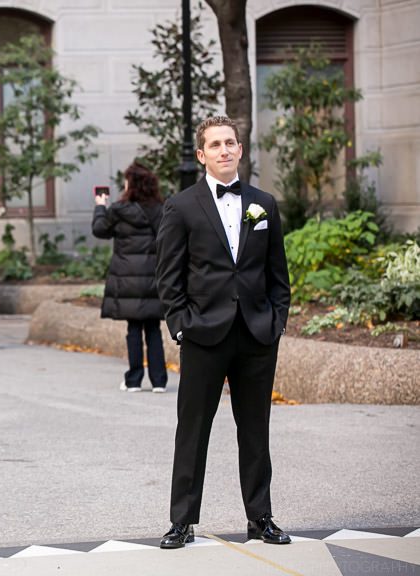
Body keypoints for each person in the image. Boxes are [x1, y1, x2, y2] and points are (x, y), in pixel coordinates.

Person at [154, 115, 291, 549]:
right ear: (202, 155)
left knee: (255, 432)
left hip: (256, 336)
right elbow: (168, 277)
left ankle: (261, 518)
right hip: (203, 336)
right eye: (215, 145)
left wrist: (276, 323)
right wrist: (181, 326)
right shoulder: (181, 207)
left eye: (230, 143)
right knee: (192, 430)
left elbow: (278, 277)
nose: (224, 150)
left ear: (240, 149)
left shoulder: (264, 204)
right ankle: (181, 521)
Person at [93, 162, 167, 392]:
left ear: (131, 184)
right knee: (153, 329)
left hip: (127, 278)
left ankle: (134, 379)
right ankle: (159, 381)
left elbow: (99, 230)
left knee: (134, 329)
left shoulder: (118, 209)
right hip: (154, 277)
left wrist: (100, 206)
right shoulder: (162, 209)